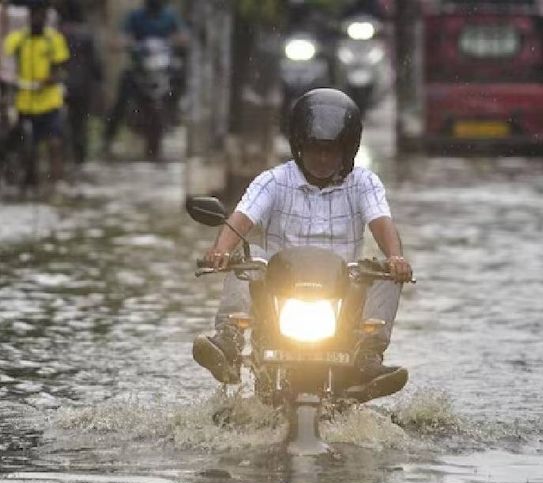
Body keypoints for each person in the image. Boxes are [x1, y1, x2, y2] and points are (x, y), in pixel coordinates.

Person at [192, 88, 414, 402]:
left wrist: (396, 258)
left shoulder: (364, 183)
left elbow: (381, 222)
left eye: (331, 151)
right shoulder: (273, 181)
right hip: (277, 295)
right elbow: (241, 218)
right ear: (299, 147)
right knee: (250, 255)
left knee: (385, 269)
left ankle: (367, 357)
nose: (322, 159)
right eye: (314, 150)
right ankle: (228, 339)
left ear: (346, 151)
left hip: (343, 293)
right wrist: (220, 251)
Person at [101, 0, 186, 157]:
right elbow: (121, 37)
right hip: (140, 67)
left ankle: (176, 112)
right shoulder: (135, 16)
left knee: (180, 79)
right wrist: (126, 43)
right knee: (123, 92)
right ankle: (108, 138)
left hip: (163, 67)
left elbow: (183, 36)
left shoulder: (170, 16)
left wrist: (176, 41)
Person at [2, 0, 69, 194]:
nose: (38, 19)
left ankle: (57, 181)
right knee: (24, 143)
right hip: (24, 101)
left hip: (49, 100)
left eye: (42, 16)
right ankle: (28, 180)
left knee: (54, 142)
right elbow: (6, 61)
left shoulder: (54, 40)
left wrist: (49, 80)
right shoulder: (17, 39)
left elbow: (60, 68)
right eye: (35, 15)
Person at [58, 0, 102, 165]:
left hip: (61, 85)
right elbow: (96, 64)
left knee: (62, 124)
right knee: (80, 124)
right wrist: (98, 84)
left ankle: (63, 160)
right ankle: (79, 160)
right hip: (83, 86)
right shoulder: (86, 35)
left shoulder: (57, 34)